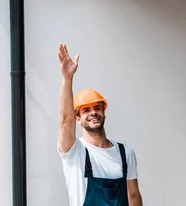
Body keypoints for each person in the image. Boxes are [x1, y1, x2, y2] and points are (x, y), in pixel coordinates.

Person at [57, 43, 143, 206]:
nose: (93, 113)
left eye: (97, 108)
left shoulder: (125, 153)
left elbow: (133, 196)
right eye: (86, 110)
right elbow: (65, 119)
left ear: (104, 112)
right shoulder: (74, 151)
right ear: (78, 118)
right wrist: (67, 78)